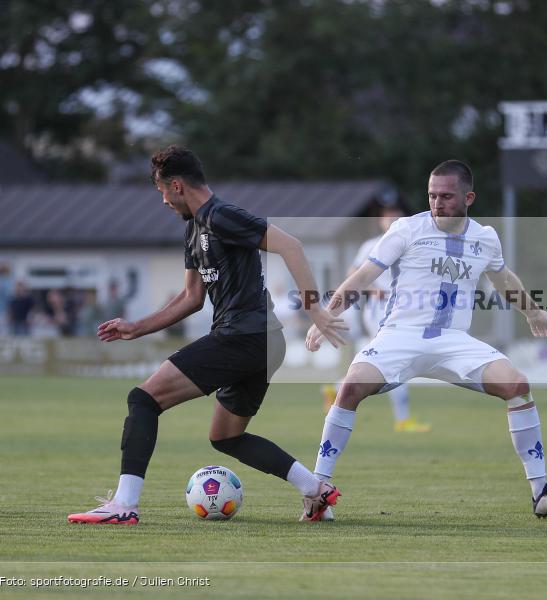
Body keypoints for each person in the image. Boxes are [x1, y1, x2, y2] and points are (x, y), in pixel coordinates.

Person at [67, 146, 348, 525]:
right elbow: (191, 298)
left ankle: (124, 505)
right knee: (226, 436)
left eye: (162, 191)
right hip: (261, 342)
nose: (163, 200)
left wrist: (315, 308)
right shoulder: (193, 229)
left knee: (143, 400)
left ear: (178, 186)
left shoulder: (222, 216)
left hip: (245, 336)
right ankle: (316, 491)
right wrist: (137, 326)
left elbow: (290, 246)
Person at [304, 160, 547, 521]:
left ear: (469, 197)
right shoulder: (407, 229)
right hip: (400, 337)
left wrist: (532, 311)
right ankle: (316, 495)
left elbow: (503, 279)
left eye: (446, 196)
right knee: (351, 386)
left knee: (518, 385)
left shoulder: (484, 237)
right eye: (432, 195)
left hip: (453, 341)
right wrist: (327, 313)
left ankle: (541, 494)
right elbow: (363, 275)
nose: (437, 203)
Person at [321, 206, 432, 433]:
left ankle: (338, 387)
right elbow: (354, 273)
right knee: (397, 362)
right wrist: (372, 289)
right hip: (381, 309)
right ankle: (403, 420)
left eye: (397, 216)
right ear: (381, 221)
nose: (393, 220)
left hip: (401, 309)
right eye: (388, 217)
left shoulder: (412, 243)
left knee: (388, 362)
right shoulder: (372, 244)